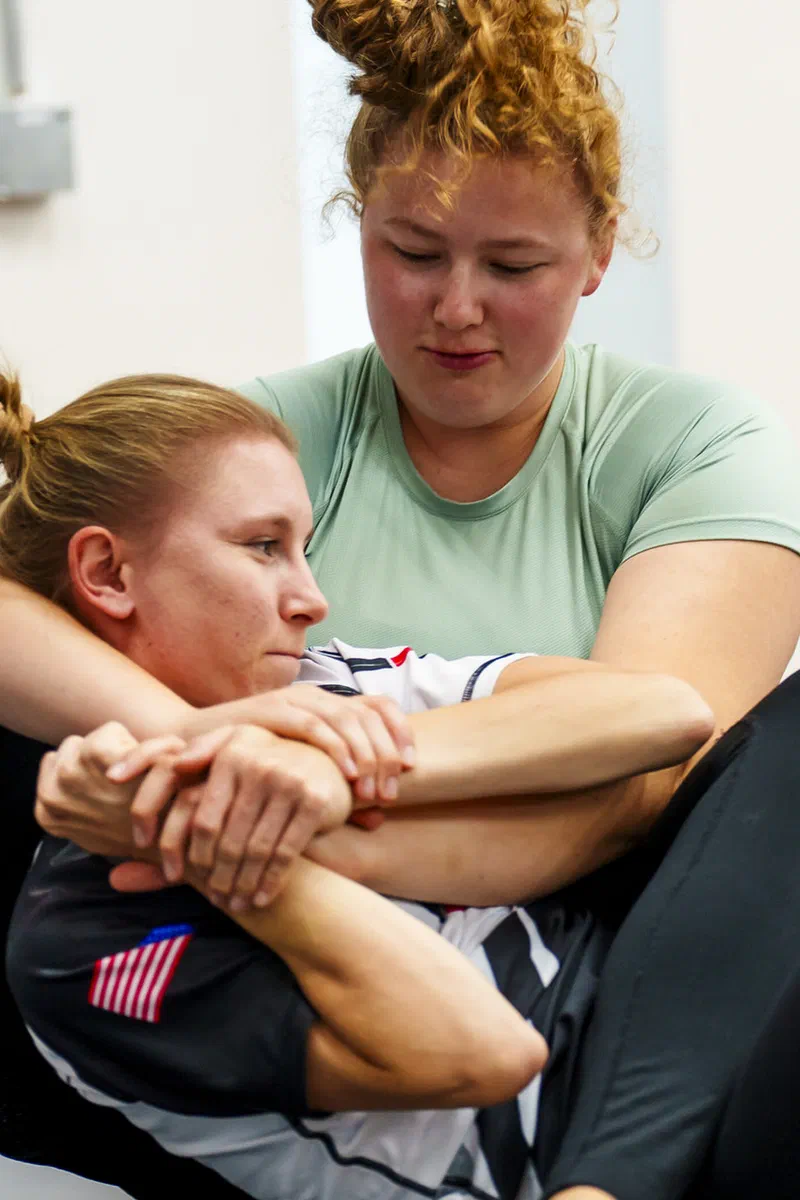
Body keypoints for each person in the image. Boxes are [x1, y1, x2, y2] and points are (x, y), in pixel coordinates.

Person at [2, 0, 800, 1190]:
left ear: (596, 253)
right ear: (357, 229)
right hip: (313, 986)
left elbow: (649, 777)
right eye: (411, 254)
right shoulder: (261, 443)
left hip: (621, 954)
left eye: (513, 265)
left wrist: (315, 790)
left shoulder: (693, 441)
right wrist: (207, 758)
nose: (455, 307)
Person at [2, 369, 714, 1200]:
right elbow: (487, 1054)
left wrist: (337, 774)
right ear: (108, 574)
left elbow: (667, 711)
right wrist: (219, 832)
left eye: (303, 549)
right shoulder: (76, 935)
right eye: (264, 547)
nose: (313, 598)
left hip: (654, 1012)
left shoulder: (324, 683)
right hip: (575, 1127)